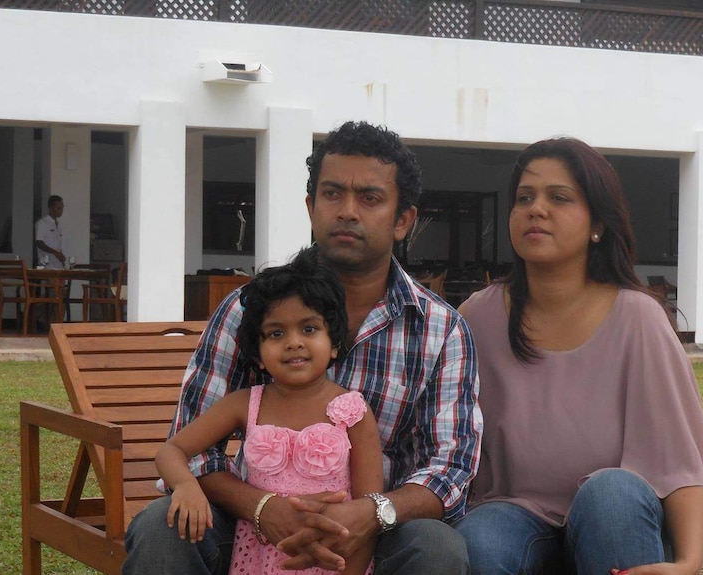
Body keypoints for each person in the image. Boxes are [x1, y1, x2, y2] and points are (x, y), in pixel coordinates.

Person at [123, 121, 482, 575]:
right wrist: (261, 507)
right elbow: (195, 447)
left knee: (435, 547)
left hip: (380, 529)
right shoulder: (249, 309)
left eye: (370, 198)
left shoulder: (441, 329)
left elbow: (450, 466)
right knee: (162, 527)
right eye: (333, 194)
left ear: (403, 220)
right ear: (312, 207)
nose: (348, 211)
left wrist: (371, 513)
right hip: (247, 523)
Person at [455, 137, 703, 575]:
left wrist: (688, 563)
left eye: (558, 198)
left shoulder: (638, 318)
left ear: (597, 223)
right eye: (525, 198)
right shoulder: (476, 316)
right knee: (479, 537)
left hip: (613, 518)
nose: (536, 209)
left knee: (612, 494)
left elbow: (679, 461)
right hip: (513, 513)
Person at [155, 247, 382, 575]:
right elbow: (171, 450)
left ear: (334, 342)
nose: (293, 342)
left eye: (309, 329)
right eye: (276, 333)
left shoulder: (353, 412)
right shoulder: (245, 404)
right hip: (256, 562)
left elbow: (367, 515)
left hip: (333, 563)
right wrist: (187, 485)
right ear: (258, 355)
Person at [35, 195, 66, 269]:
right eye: (58, 208)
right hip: (47, 264)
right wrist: (56, 253)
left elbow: (57, 245)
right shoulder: (42, 223)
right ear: (51, 209)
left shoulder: (58, 224)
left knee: (61, 280)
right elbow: (39, 243)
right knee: (53, 280)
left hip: (58, 264)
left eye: (62, 208)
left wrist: (61, 256)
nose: (61, 210)